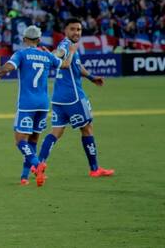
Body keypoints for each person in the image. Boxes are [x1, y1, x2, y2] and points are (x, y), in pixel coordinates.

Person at [0, 25, 76, 186]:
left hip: (27, 104)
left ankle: (37, 165)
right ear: (39, 40)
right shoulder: (47, 55)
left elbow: (7, 68)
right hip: (43, 104)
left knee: (20, 140)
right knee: (33, 140)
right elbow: (65, 65)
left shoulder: (21, 54)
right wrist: (71, 51)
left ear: (24, 39)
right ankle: (24, 177)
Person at [37, 18, 115, 178]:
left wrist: (91, 77)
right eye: (72, 29)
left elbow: (76, 66)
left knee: (56, 132)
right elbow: (59, 54)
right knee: (87, 129)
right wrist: (53, 54)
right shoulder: (67, 45)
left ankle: (38, 164)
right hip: (74, 97)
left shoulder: (68, 45)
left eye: (79, 29)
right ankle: (95, 169)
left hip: (58, 98)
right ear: (65, 31)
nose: (76, 32)